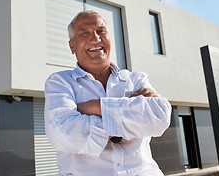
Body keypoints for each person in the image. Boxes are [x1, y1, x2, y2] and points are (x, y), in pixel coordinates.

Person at [44, 10, 172, 176]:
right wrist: (131, 114)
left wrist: (92, 107)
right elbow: (64, 134)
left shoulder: (136, 79)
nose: (95, 38)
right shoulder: (59, 83)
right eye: (84, 33)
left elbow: (160, 118)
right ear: (72, 46)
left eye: (101, 31)